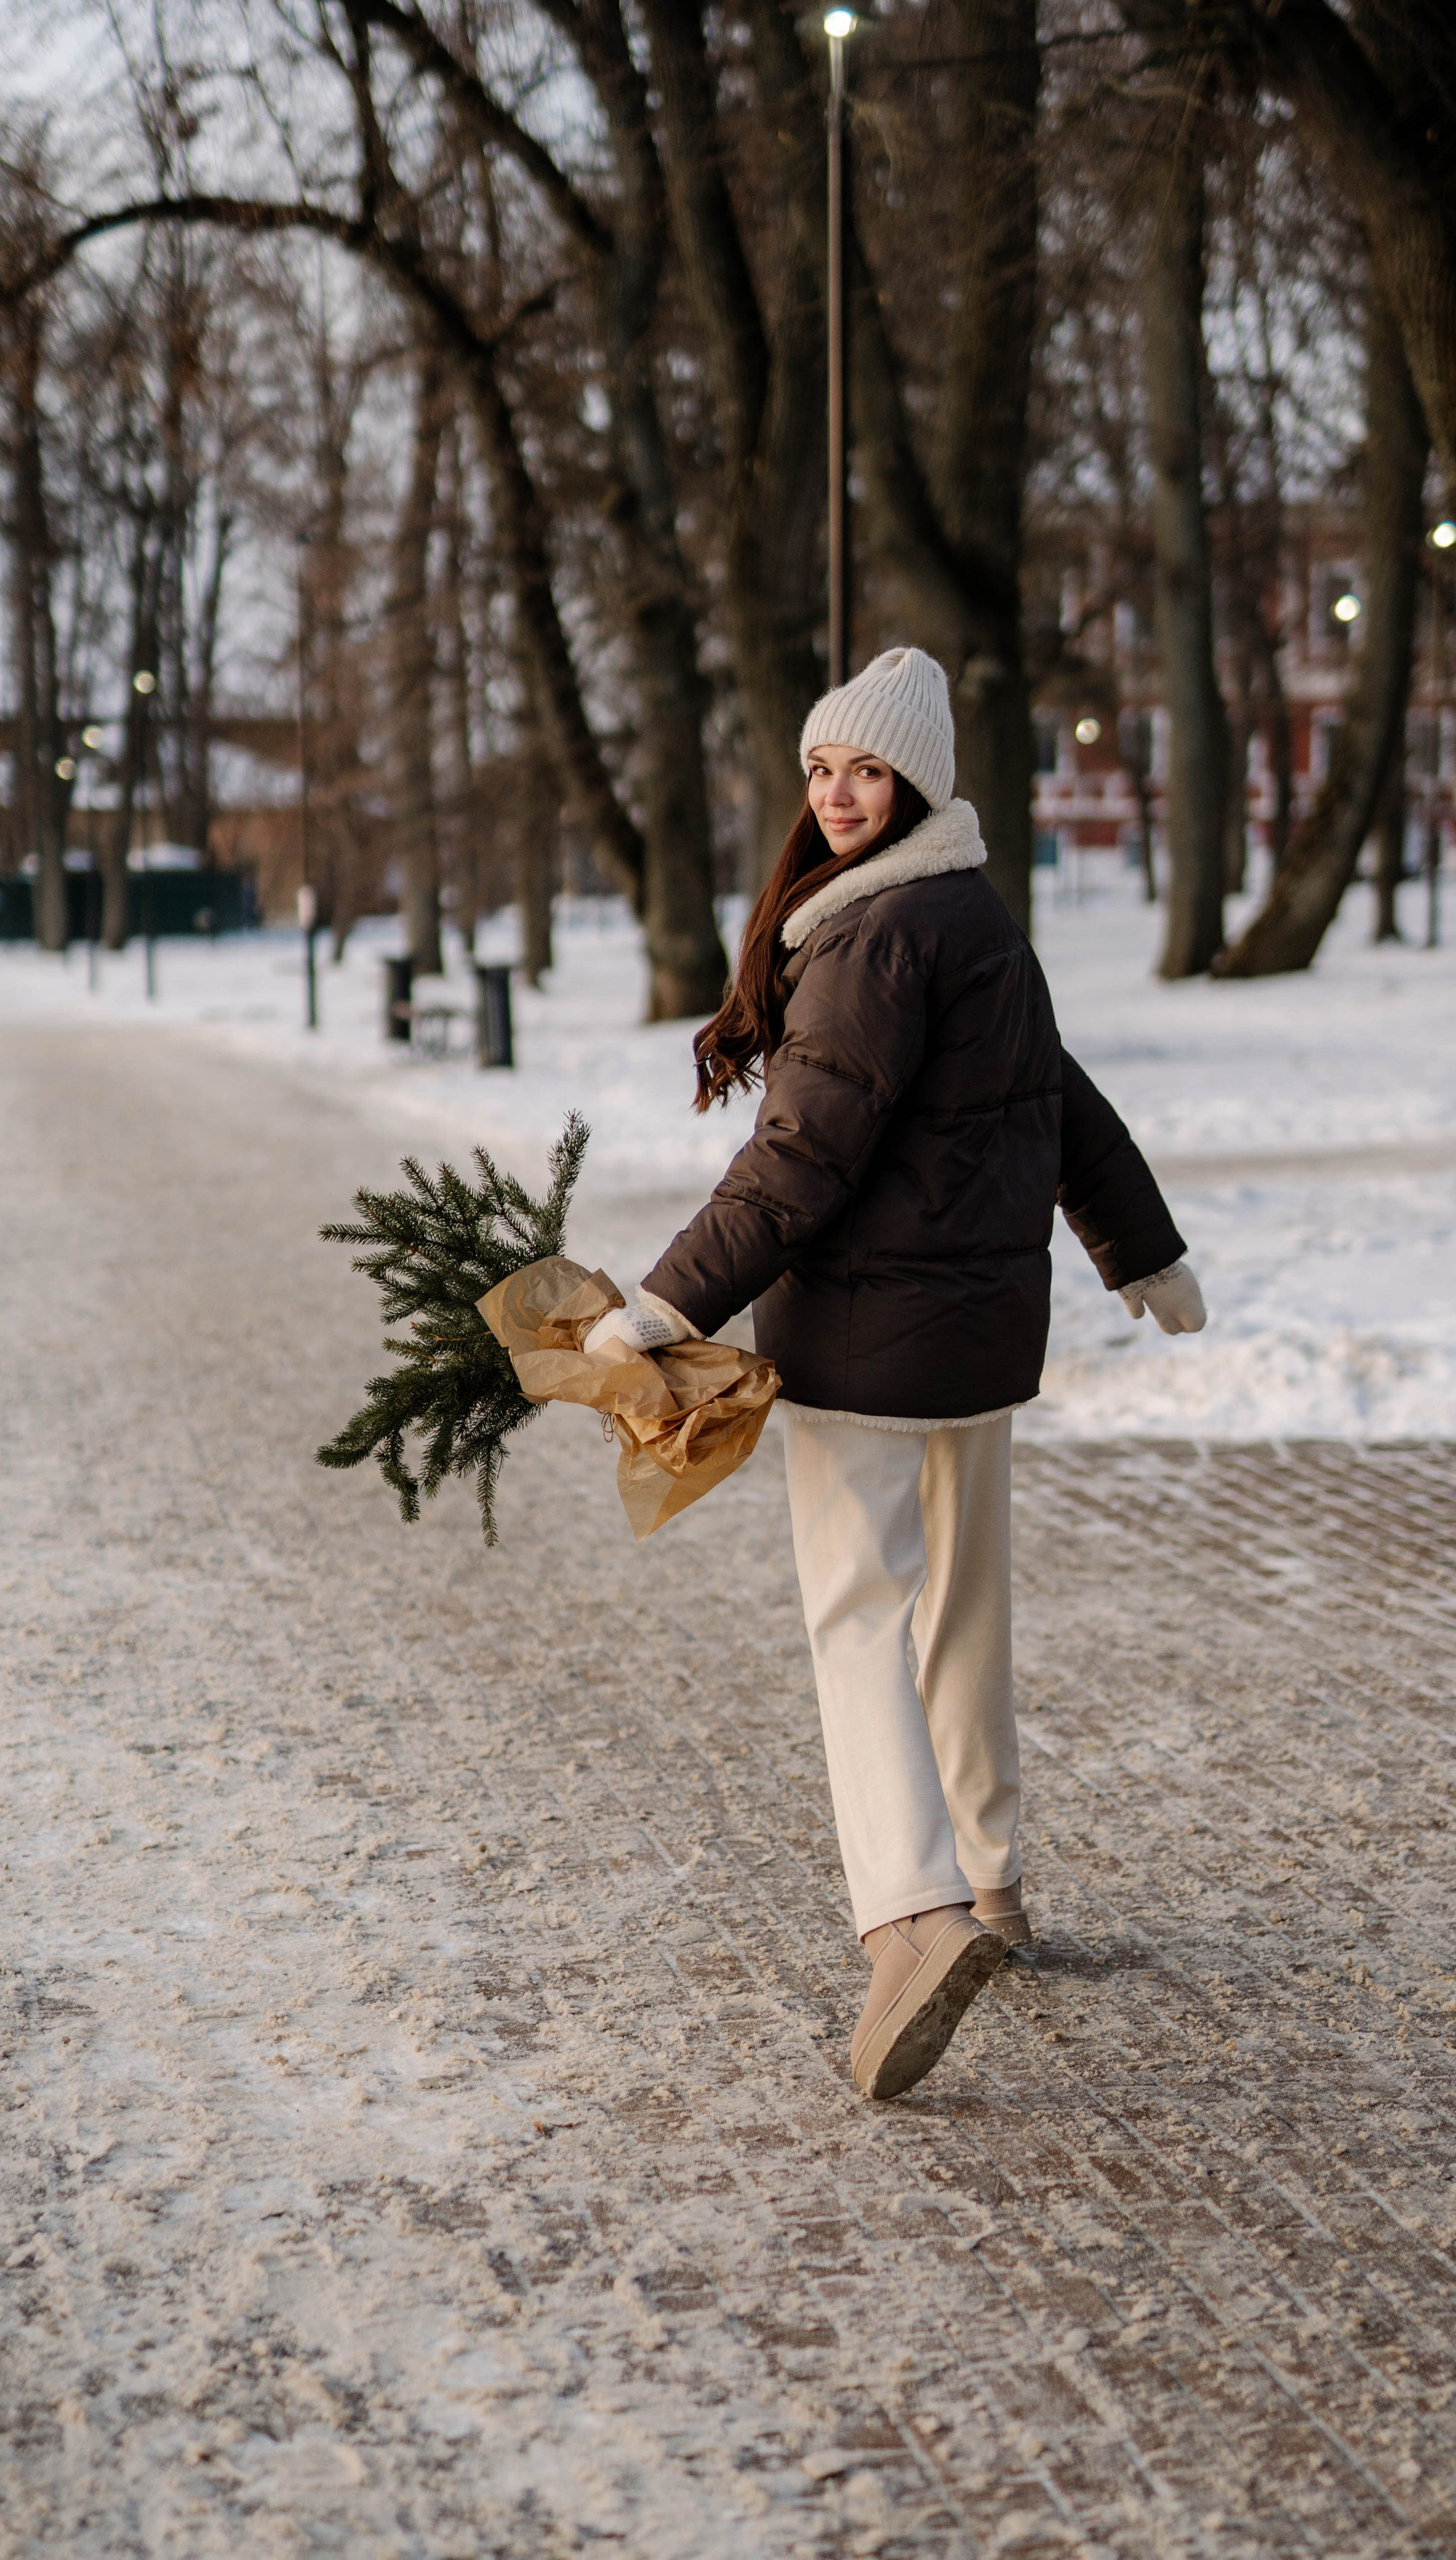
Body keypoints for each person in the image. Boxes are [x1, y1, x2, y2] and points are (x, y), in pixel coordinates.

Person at [584, 648, 1205, 2100]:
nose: (839, 795)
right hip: (978, 1342)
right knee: (963, 1604)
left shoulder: (870, 939)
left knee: (861, 1613)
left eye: (865, 770)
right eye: (820, 769)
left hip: (865, 1341)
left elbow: (798, 1160)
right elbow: (1068, 1103)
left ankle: (911, 1918)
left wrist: (667, 1303)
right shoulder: (974, 917)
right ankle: (987, 1878)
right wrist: (1141, 1254)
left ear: (916, 777)